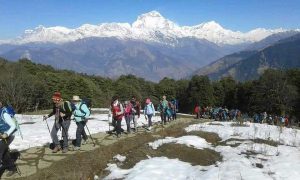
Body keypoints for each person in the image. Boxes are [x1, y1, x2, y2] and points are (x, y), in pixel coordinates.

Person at [0, 102, 17, 177]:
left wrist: (6, 134)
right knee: (4, 152)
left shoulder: (4, 114)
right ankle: (12, 168)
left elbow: (13, 125)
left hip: (10, 135)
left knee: (0, 149)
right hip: (2, 136)